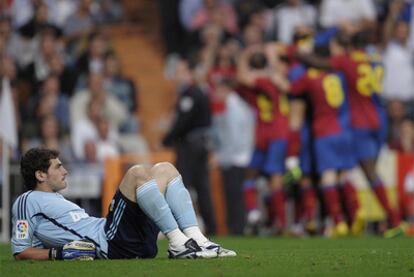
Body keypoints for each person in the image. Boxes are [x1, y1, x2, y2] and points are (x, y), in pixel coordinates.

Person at [11, 147, 236, 260]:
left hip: (128, 241)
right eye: (58, 167)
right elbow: (20, 251)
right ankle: (178, 244)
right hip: (110, 242)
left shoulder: (55, 199)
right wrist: (57, 254)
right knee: (136, 173)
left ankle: (197, 240)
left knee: (166, 169)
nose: (65, 170)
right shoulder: (27, 201)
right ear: (40, 175)